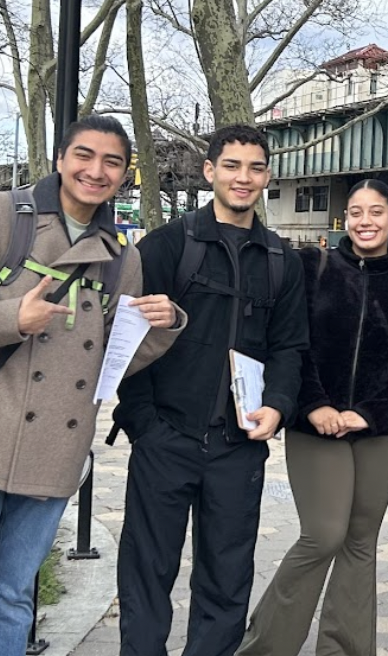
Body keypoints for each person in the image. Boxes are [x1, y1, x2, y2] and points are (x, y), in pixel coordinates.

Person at [0, 116, 182, 656]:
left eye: (112, 162)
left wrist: (164, 326)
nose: (96, 171)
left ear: (125, 174)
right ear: (60, 158)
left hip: (56, 450)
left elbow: (112, 360)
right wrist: (11, 319)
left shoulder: (123, 256)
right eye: (84, 155)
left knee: (13, 599)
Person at [110, 123, 306, 656]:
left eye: (255, 168)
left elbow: (290, 347)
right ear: (209, 170)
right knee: (146, 573)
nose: (244, 178)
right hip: (164, 439)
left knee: (227, 580)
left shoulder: (282, 260)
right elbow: (128, 342)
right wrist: (144, 424)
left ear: (267, 176)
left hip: (238, 446)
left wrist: (278, 407)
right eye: (233, 166)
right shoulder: (166, 247)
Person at [245, 179, 388, 656]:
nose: (365, 221)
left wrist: (368, 414)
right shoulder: (312, 268)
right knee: (323, 534)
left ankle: (344, 649)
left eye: (376, 212)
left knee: (360, 541)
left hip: (380, 431)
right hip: (315, 426)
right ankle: (265, 647)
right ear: (345, 219)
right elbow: (292, 343)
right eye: (356, 212)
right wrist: (315, 405)